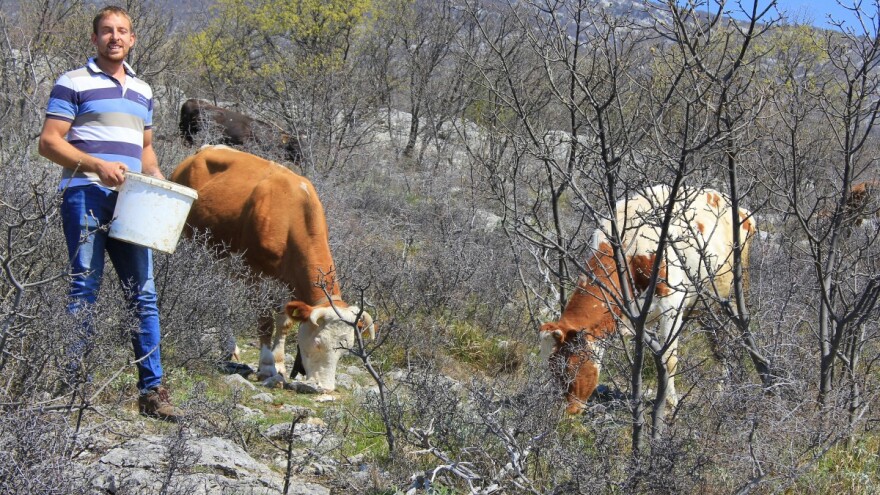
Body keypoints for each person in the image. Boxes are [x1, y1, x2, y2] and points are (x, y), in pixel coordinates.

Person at [38, 6, 182, 422]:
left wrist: (159, 184)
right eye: (106, 31)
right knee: (85, 288)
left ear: (132, 39)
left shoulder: (143, 89)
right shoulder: (72, 82)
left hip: (134, 202)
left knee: (145, 295)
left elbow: (146, 148)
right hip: (85, 195)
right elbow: (49, 142)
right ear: (94, 39)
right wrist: (95, 166)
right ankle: (73, 386)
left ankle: (153, 392)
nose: (114, 37)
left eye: (122, 31)